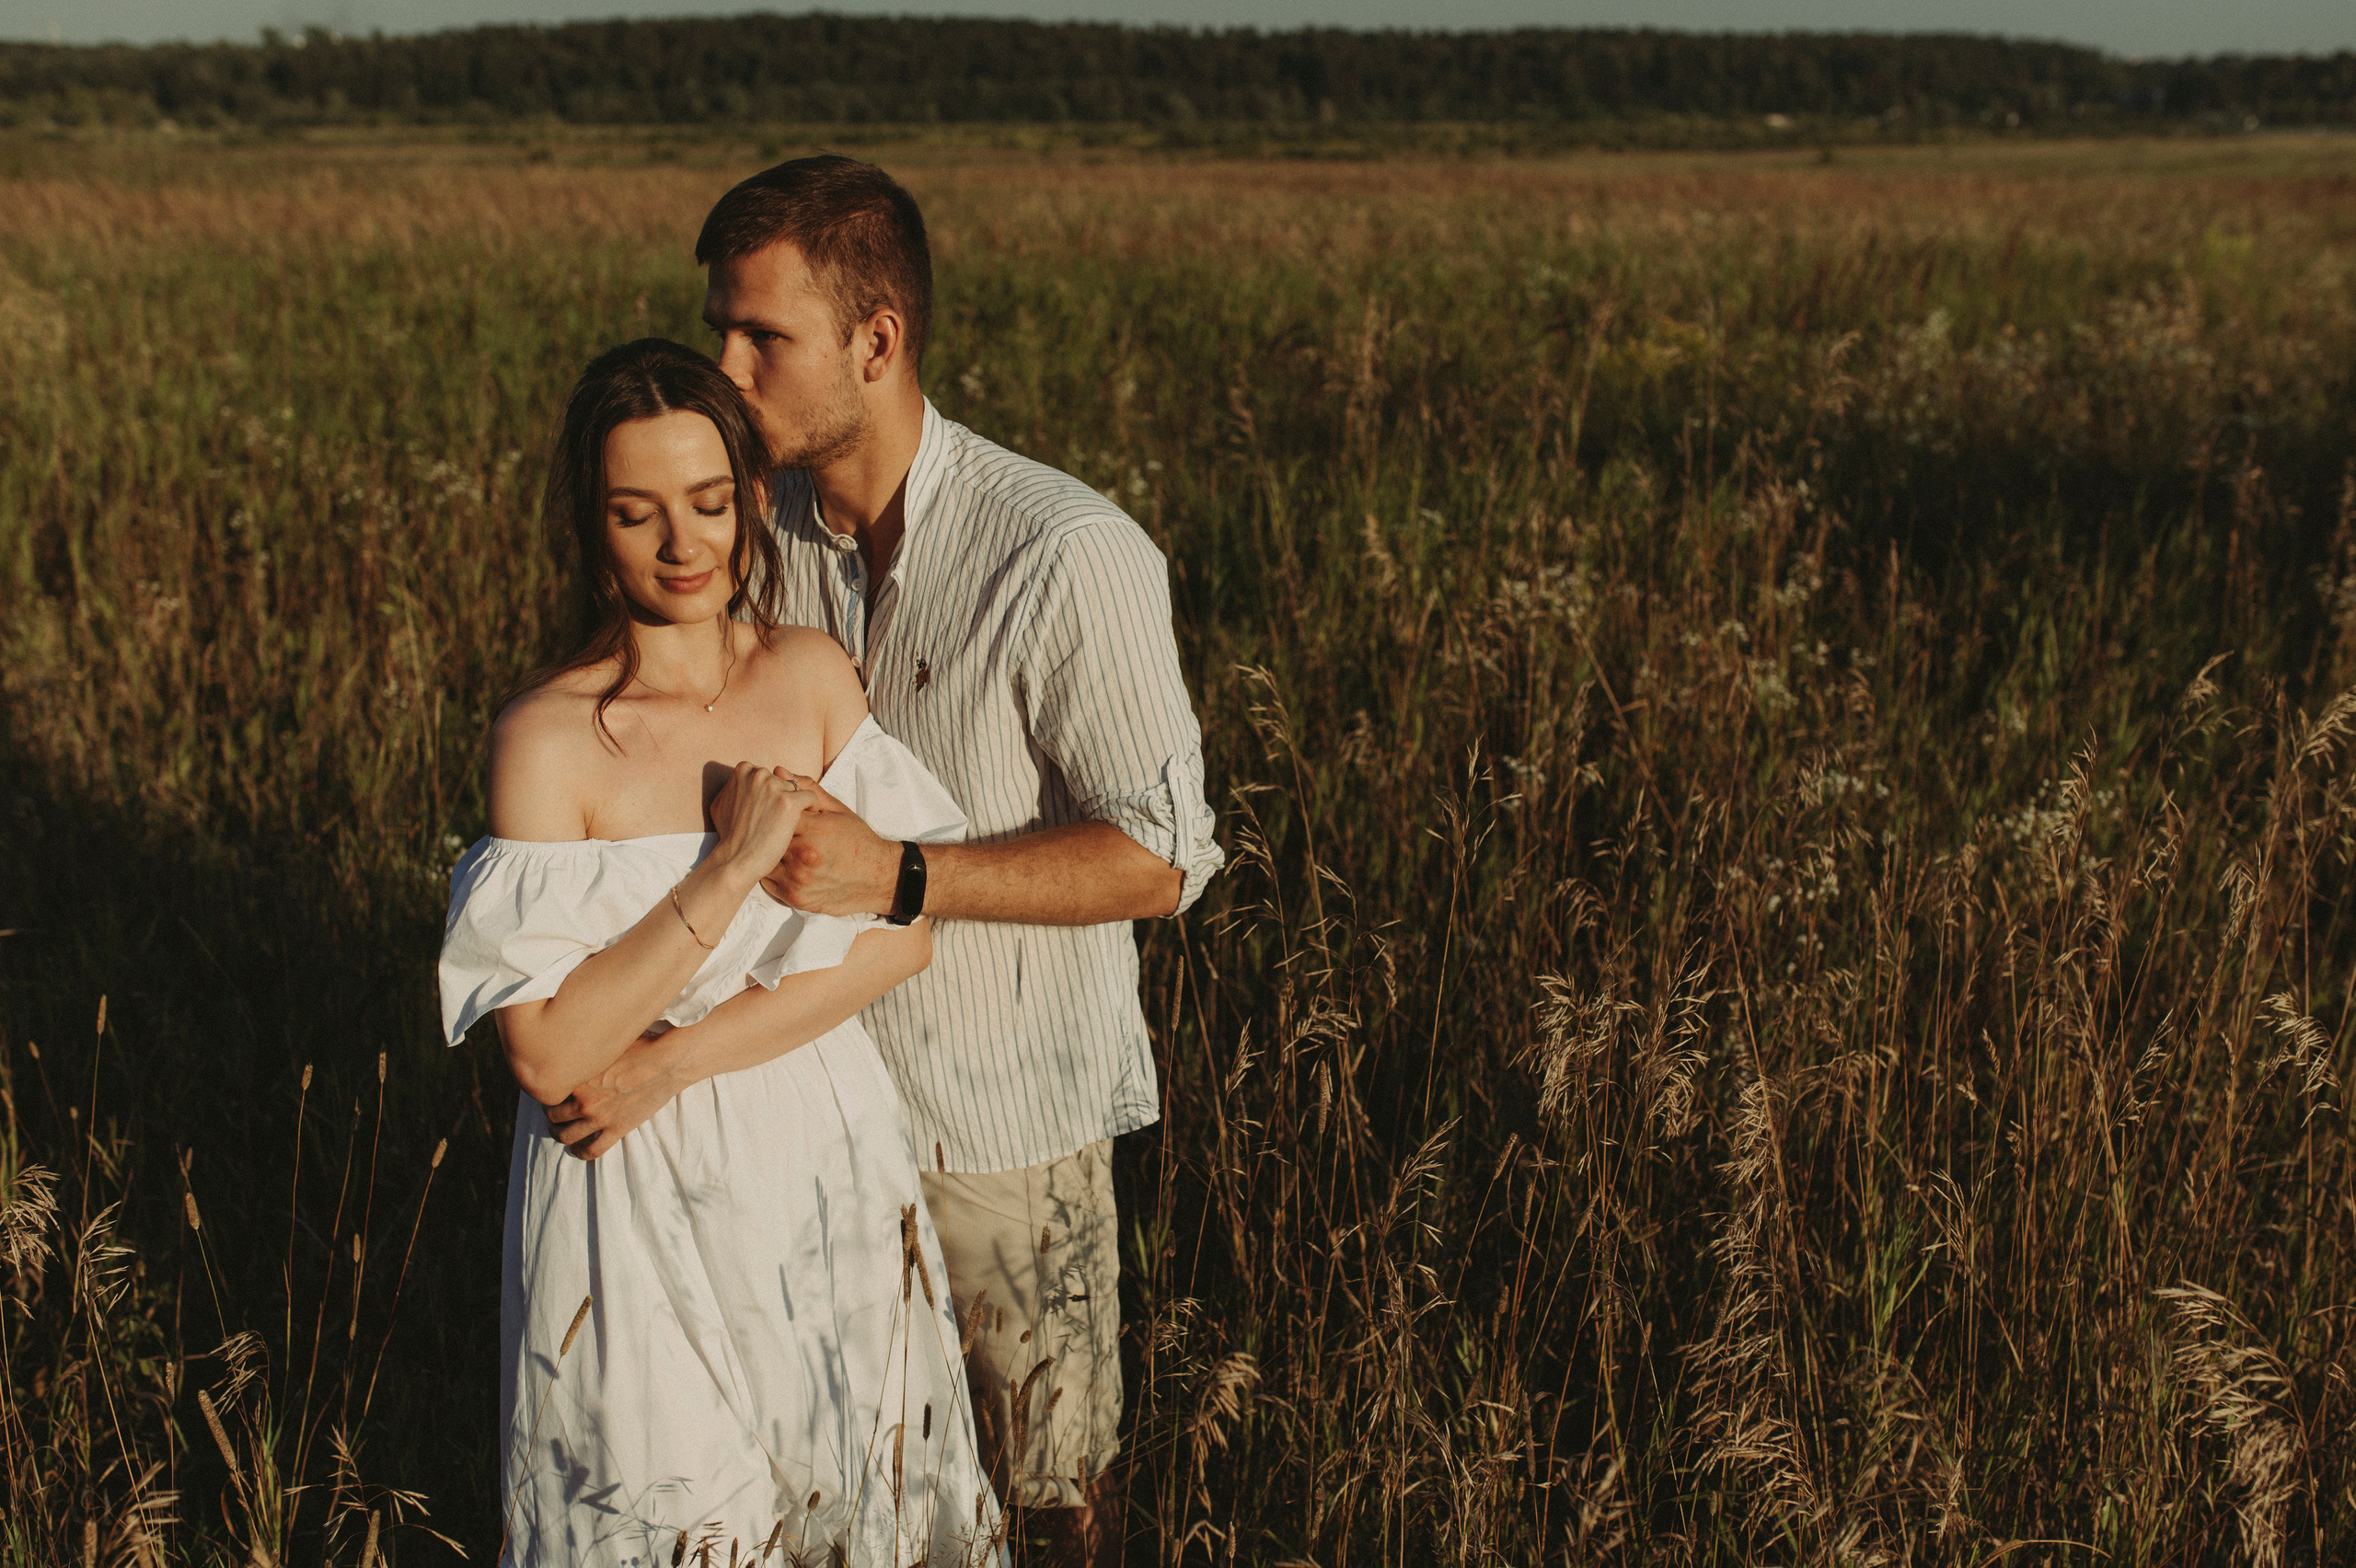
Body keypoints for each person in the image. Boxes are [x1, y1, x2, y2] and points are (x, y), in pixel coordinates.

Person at [699, 156, 1225, 1564]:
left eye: (764, 338)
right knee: (833, 1495)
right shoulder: (750, 541)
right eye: (721, 334)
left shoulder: (1063, 552)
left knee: (1045, 1500)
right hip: (798, 1118)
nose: (728, 369)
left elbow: (1165, 858)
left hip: (1002, 1127)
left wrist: (904, 874)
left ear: (877, 342)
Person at [437, 339, 1001, 1568]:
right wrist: (728, 866)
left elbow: (900, 943)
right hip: (616, 1187)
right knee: (668, 1513)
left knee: (866, 1491)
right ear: (592, 524)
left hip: (811, 1137)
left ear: (752, 501)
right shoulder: (548, 740)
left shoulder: (807, 677)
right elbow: (549, 1053)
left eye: (707, 505)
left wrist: (676, 1059)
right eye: (638, 514)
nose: (681, 546)